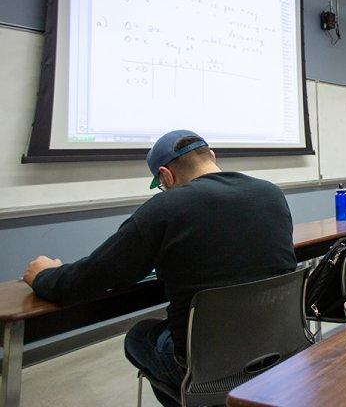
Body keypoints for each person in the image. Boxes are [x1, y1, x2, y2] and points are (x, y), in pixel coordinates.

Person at [22, 131, 297, 407]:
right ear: (212, 156)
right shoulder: (271, 193)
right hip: (280, 348)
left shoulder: (164, 207)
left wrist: (44, 275)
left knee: (139, 336)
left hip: (205, 367)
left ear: (166, 176)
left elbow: (89, 279)